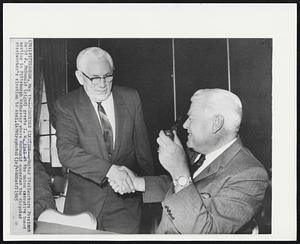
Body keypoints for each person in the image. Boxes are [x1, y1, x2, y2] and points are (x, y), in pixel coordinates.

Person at [109, 88, 269, 234]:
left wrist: (179, 170)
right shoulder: (198, 153)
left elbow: (206, 233)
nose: (185, 125)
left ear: (216, 123)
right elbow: (179, 187)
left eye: (192, 118)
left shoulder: (249, 174)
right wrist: (136, 182)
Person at [54, 47, 154, 233]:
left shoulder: (131, 98)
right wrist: (109, 170)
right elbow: (67, 152)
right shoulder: (66, 105)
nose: (102, 84)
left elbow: (143, 152)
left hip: (126, 207)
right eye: (94, 78)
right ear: (80, 77)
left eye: (107, 76)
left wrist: (148, 194)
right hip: (83, 207)